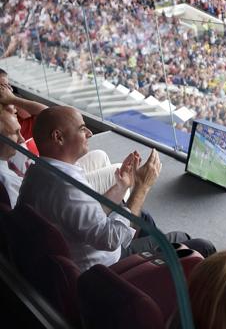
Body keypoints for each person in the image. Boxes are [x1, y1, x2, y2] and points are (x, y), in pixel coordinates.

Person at [17, 106, 215, 271]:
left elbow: (85, 213)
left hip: (78, 254)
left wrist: (122, 186)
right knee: (197, 245)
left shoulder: (37, 173)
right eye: (82, 129)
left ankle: (162, 260)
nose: (90, 133)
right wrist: (141, 188)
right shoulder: (67, 188)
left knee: (143, 218)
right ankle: (161, 265)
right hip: (106, 268)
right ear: (58, 138)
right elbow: (110, 239)